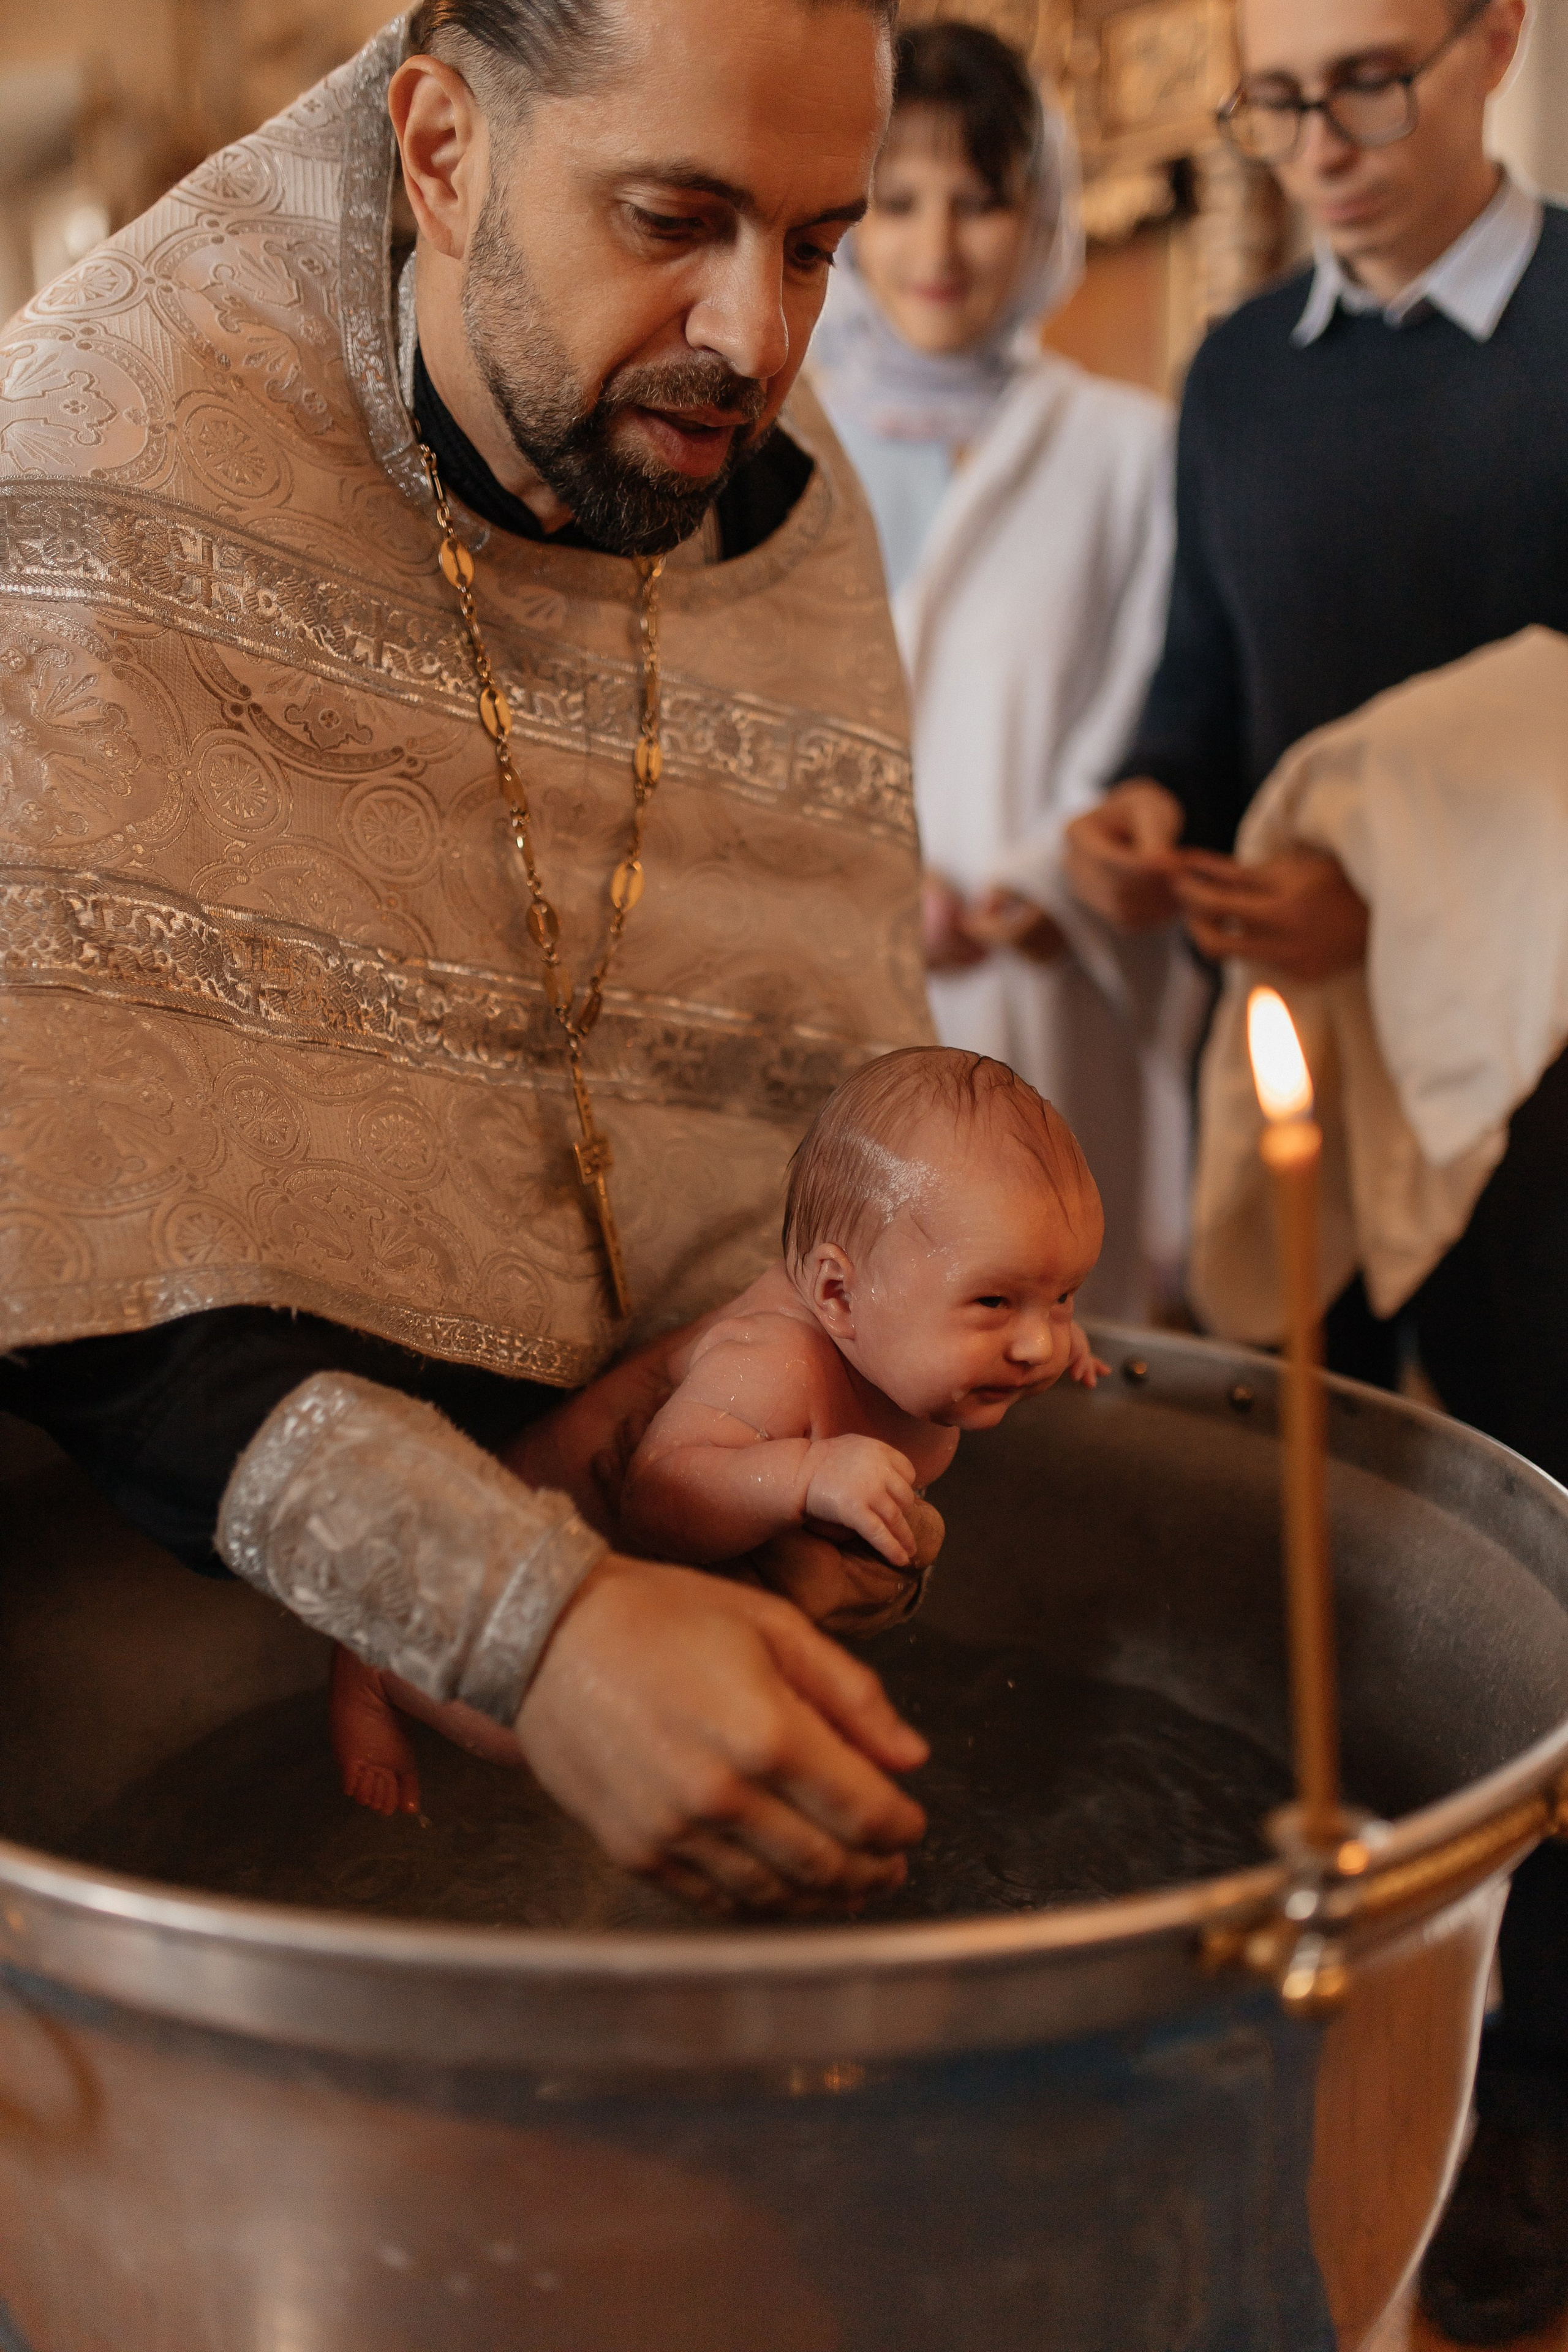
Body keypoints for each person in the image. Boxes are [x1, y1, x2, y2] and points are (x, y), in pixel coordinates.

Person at [0, 0, 946, 1924]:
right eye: (672, 218)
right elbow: (75, 1242)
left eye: (815, 245)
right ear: (442, 150)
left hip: (657, 1583)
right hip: (180, 1654)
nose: (758, 338)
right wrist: (524, 1613)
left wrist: (790, 1419)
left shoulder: (775, 498)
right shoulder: (112, 441)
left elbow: (797, 1067)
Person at [1063, 0, 1568, 2336]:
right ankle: (1344, 2046)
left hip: (1541, 1105)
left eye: (1365, 79)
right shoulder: (1243, 377)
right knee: (1323, 1564)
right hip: (1290, 1067)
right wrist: (1145, 807)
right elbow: (1202, 685)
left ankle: (1532, 2108)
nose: (1317, 141)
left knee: (1540, 1580)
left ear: (1493, 40)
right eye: (1275, 99)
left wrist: (1423, 907)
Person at [334, 1046, 1107, 1830]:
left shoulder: (920, 1332)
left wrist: (1058, 1332)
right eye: (994, 1303)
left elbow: (1030, 1320)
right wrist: (806, 1474)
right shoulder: (774, 1363)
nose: (1037, 1346)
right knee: (523, 1731)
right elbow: (656, 1495)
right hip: (490, 1565)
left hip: (654, 1596)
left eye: (1063, 1298)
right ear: (838, 1295)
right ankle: (376, 1666)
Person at [810, 21, 1192, 1323]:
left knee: (1036, 1331)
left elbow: (1147, 697)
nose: (937, 245)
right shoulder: (783, 441)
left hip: (1033, 981)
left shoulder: (1123, 450)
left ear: (1039, 215)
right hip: (828, 968)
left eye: (978, 201)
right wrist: (869, 882)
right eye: (898, 199)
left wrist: (1039, 881)